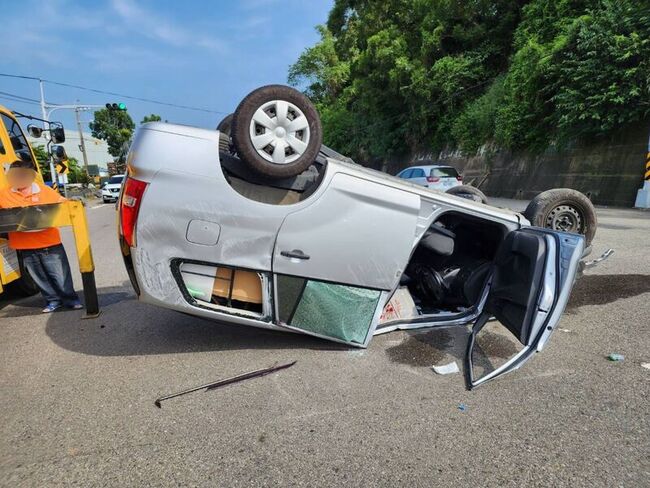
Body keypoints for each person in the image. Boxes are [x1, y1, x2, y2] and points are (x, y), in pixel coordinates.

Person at [0, 159, 82, 313]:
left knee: (60, 275)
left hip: (49, 243)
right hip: (24, 246)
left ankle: (71, 300)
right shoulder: (4, 194)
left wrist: (74, 203)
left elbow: (63, 205)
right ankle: (52, 301)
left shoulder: (44, 190)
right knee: (39, 277)